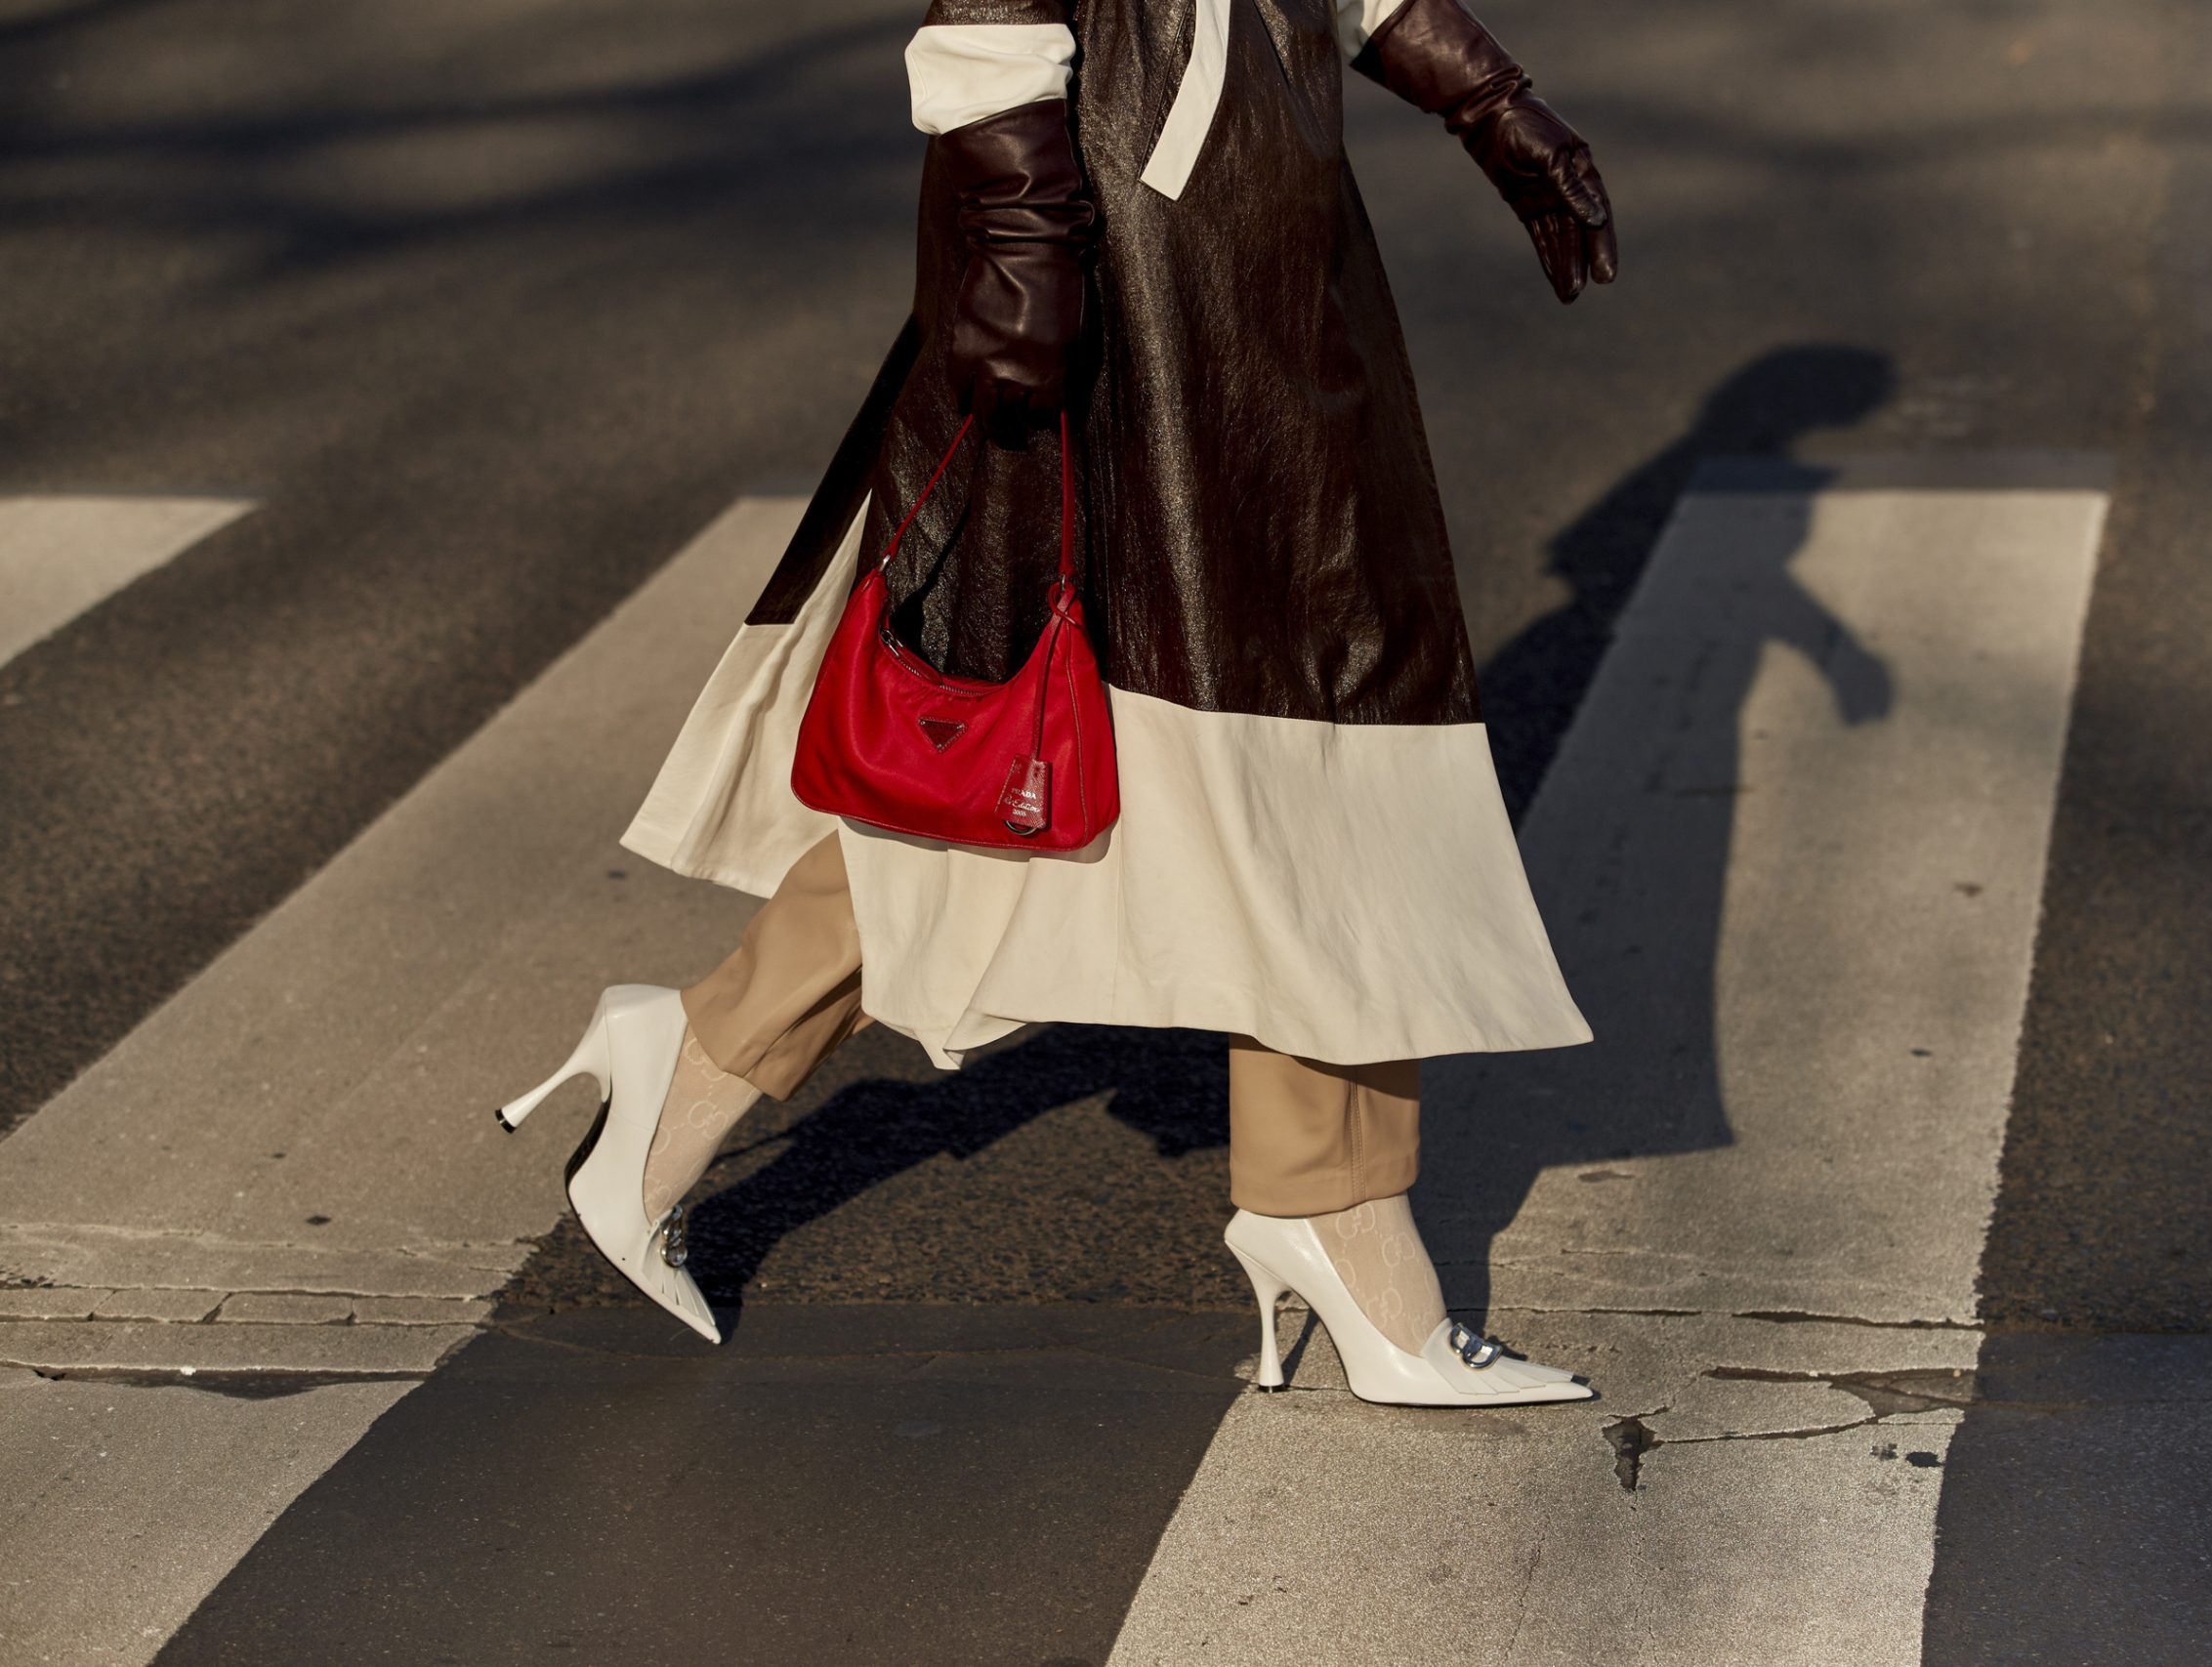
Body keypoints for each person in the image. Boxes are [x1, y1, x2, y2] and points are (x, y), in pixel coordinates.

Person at [497, 0, 1615, 1407]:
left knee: (1284, 730)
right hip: (1118, 255)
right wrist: (1020, 224)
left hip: (1266, 239)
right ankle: (1331, 1219)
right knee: (1135, 736)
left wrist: (1487, 98)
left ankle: (703, 1058)